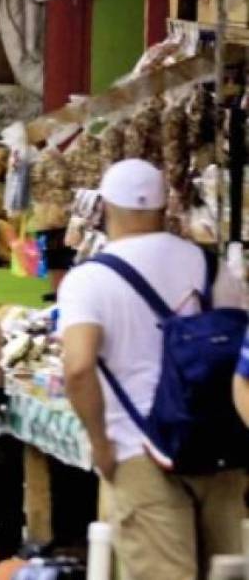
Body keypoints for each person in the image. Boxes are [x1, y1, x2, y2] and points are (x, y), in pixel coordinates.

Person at [59, 159, 246, 579]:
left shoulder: (89, 280)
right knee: (227, 572)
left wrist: (100, 445)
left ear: (105, 208)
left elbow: (78, 367)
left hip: (136, 448)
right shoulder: (209, 266)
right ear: (166, 207)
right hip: (217, 448)